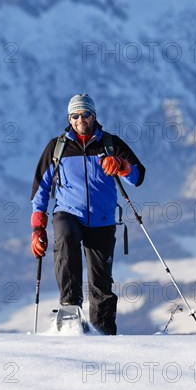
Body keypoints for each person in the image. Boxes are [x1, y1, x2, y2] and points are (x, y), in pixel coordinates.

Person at [30, 94, 145, 334]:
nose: (80, 119)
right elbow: (40, 187)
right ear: (69, 119)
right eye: (75, 115)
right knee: (65, 235)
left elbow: (139, 176)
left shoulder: (111, 144)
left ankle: (103, 333)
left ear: (94, 116)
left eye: (85, 114)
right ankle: (70, 308)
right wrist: (37, 228)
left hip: (102, 219)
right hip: (68, 213)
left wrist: (123, 167)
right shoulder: (57, 147)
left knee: (101, 283)